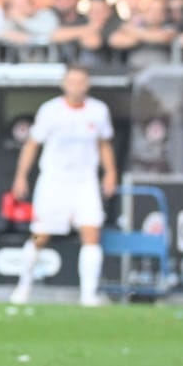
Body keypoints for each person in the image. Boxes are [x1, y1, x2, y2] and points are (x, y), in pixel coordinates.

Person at [9, 65, 117, 307]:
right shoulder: (50, 110)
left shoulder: (98, 111)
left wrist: (110, 173)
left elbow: (104, 144)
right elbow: (32, 144)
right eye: (72, 81)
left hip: (84, 180)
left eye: (81, 81)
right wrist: (21, 176)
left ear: (87, 84)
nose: (76, 86)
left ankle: (88, 294)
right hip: (54, 181)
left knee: (91, 234)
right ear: (64, 84)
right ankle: (23, 286)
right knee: (40, 234)